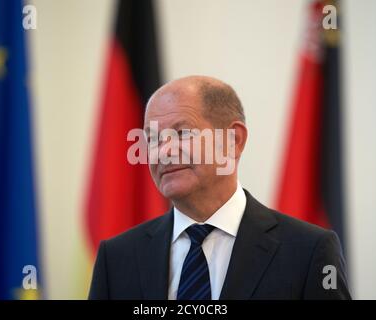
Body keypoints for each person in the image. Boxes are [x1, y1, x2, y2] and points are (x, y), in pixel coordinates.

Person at [88, 75, 351, 300]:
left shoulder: (308, 252)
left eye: (183, 133)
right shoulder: (117, 258)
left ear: (232, 141)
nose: (163, 152)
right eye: (153, 139)